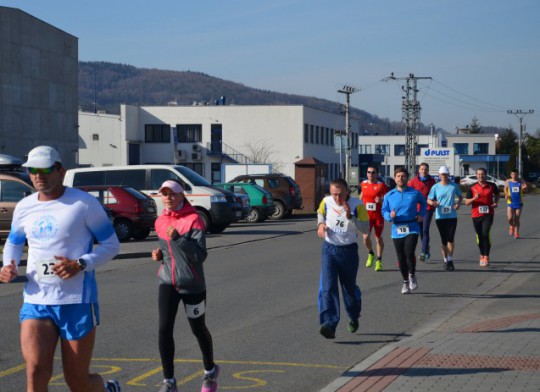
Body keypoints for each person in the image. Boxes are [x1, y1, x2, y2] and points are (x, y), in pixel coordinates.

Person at [0, 146, 121, 392]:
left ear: (60, 170)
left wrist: (81, 263)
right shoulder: (24, 206)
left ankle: (107, 389)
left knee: (77, 381)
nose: (38, 175)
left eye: (44, 169)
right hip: (36, 300)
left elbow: (111, 244)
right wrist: (8, 266)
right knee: (35, 372)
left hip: (76, 300)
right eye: (32, 170)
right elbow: (13, 242)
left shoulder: (83, 203)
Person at [151, 180, 219, 392]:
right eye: (165, 194)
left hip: (192, 284)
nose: (168, 198)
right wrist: (159, 254)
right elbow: (168, 250)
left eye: (172, 194)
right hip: (167, 281)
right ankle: (169, 381)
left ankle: (210, 371)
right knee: (164, 329)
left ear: (182, 196)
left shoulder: (194, 220)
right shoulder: (160, 221)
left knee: (198, 329)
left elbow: (199, 255)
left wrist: (179, 238)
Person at [316, 179, 369, 339]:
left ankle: (353, 316)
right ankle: (329, 324)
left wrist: (350, 216)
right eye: (334, 194)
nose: (337, 198)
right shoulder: (326, 201)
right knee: (328, 287)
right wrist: (320, 224)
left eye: (340, 195)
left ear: (347, 191)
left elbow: (366, 228)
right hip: (330, 249)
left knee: (349, 290)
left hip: (348, 251)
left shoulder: (357, 205)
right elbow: (321, 213)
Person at [382, 167, 427, 294]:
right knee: (401, 257)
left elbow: (424, 204)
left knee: (409, 252)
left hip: (412, 226)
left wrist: (421, 214)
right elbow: (384, 211)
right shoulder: (389, 195)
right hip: (397, 228)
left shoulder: (414, 193)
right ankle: (405, 282)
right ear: (395, 179)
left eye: (403, 176)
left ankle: (412, 274)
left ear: (407, 178)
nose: (401, 178)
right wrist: (389, 216)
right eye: (398, 176)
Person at [427, 166, 463, 271]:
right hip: (440, 216)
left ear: (448, 175)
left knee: (450, 238)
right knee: (444, 239)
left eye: (446, 174)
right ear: (439, 175)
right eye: (442, 174)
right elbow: (428, 199)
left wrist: (458, 204)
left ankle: (450, 259)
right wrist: (433, 203)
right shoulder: (435, 187)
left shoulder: (454, 186)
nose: (444, 176)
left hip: (452, 215)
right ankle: (445, 259)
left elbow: (460, 196)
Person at [464, 167, 500, 267]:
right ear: (476, 175)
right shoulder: (472, 187)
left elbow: (497, 195)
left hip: (488, 214)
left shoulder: (492, 185)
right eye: (479, 174)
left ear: (486, 175)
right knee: (479, 235)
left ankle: (486, 256)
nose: (481, 176)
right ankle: (481, 254)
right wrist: (474, 198)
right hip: (476, 215)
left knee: (485, 233)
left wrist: (495, 203)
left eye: (483, 174)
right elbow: (466, 202)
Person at [359, 165, 389, 271]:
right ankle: (371, 253)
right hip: (366, 216)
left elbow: (388, 199)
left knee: (378, 238)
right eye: (369, 172)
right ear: (366, 173)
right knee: (365, 238)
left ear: (377, 174)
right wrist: (358, 207)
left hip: (378, 216)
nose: (370, 174)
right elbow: (362, 196)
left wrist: (381, 201)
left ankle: (379, 260)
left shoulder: (381, 185)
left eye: (373, 172)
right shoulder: (363, 184)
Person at [408, 162, 436, 262]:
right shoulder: (413, 181)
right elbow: (408, 193)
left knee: (425, 230)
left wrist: (435, 202)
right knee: (420, 231)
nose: (424, 171)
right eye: (422, 169)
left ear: (428, 170)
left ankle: (423, 252)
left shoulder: (432, 181)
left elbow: (435, 193)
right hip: (416, 209)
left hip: (428, 208)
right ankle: (426, 248)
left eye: (425, 169)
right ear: (419, 170)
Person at [504, 169, 525, 239]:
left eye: (515, 174)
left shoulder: (521, 181)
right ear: (511, 175)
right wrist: (507, 195)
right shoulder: (508, 181)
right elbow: (505, 188)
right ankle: (511, 226)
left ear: (517, 174)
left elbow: (525, 189)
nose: (514, 176)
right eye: (513, 174)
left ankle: (516, 232)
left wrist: (524, 188)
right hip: (510, 202)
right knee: (509, 218)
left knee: (516, 218)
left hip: (519, 202)